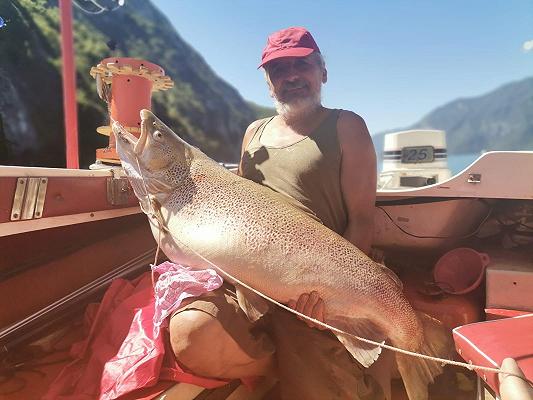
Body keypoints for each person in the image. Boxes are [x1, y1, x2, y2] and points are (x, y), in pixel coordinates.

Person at [168, 26, 385, 399]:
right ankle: (276, 363)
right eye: (278, 70)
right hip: (250, 281)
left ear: (322, 72)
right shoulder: (253, 133)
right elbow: (239, 206)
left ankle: (297, 358)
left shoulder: (347, 125)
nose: (291, 77)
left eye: (301, 65)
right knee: (190, 333)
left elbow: (362, 218)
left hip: (316, 290)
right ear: (269, 84)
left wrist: (334, 298)